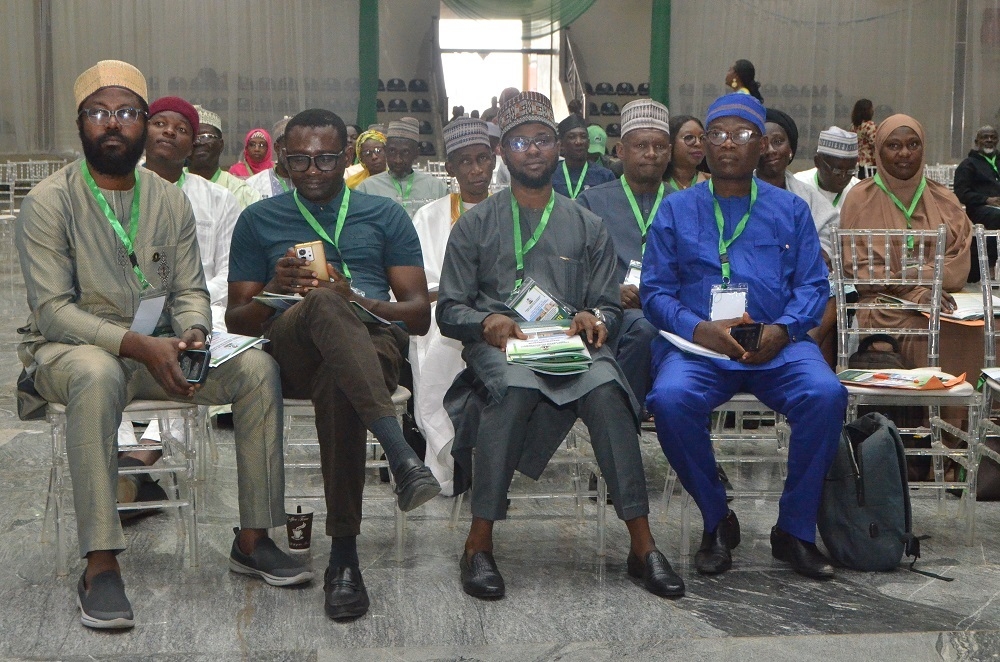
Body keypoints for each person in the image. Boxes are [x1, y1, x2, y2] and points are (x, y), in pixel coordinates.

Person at [15, 60, 310, 630]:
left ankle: (253, 536)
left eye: (126, 112)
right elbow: (52, 311)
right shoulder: (51, 200)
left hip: (156, 348)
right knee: (97, 375)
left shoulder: (169, 199)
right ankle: (100, 563)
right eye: (99, 112)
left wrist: (195, 333)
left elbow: (190, 290)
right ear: (80, 124)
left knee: (255, 370)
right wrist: (138, 345)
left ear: (144, 124)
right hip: (69, 350)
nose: (113, 124)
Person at [437, 91, 685, 601]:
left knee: (610, 395)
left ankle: (642, 545)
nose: (533, 150)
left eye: (543, 140)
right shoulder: (475, 224)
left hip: (570, 345)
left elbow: (608, 306)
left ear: (558, 150)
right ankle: (478, 543)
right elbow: (449, 310)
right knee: (513, 392)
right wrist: (487, 322)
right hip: (505, 348)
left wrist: (597, 317)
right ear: (504, 152)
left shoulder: (586, 224)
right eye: (520, 141)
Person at [226, 108, 440, 621]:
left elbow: (418, 316)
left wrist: (357, 301)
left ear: (347, 158)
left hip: (373, 344)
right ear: (283, 162)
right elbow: (237, 321)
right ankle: (398, 450)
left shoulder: (385, 216)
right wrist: (278, 290)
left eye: (325, 158)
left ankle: (344, 559)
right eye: (299, 160)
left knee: (340, 376)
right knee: (320, 304)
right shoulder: (259, 219)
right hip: (293, 343)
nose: (314, 170)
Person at [643, 93, 846, 581]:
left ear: (764, 148)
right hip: (700, 348)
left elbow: (814, 286)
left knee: (826, 394)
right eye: (717, 135)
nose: (728, 145)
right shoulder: (675, 210)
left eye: (742, 135)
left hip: (780, 346)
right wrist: (699, 330)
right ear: (701, 147)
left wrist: (783, 329)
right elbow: (654, 292)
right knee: (669, 401)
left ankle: (794, 531)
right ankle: (717, 519)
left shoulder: (790, 211)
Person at [840, 114, 977, 383]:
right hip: (883, 307)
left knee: (985, 328)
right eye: (894, 146)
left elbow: (959, 267)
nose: (905, 153)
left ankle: (967, 420)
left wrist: (914, 281)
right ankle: (928, 417)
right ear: (879, 150)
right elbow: (863, 273)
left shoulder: (944, 198)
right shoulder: (860, 198)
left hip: (941, 302)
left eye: (913, 145)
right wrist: (915, 291)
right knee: (924, 329)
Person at [410, 117, 496, 495]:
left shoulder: (511, 210)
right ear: (450, 169)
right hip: (445, 311)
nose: (476, 170)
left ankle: (493, 457)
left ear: (494, 160)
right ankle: (448, 459)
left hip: (501, 316)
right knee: (437, 338)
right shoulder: (429, 216)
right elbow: (426, 282)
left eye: (483, 159)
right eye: (466, 161)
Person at [577, 99, 672, 409]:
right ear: (620, 151)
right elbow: (573, 265)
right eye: (641, 145)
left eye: (660, 146)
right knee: (644, 329)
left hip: (673, 310)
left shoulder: (686, 203)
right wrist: (609, 291)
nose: (651, 154)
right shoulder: (591, 203)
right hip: (615, 312)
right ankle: (623, 413)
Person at [756, 108, 838, 260]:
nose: (771, 150)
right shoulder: (739, 190)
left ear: (791, 149)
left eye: (778, 141)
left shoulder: (807, 195)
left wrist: (818, 254)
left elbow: (830, 232)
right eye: (763, 143)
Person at [356, 117, 448, 217]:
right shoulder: (366, 188)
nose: (397, 160)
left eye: (405, 152)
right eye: (392, 151)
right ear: (385, 150)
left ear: (416, 153)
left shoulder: (437, 188)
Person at [187, 105, 262, 209]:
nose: (198, 142)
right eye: (192, 137)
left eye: (206, 136)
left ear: (221, 145)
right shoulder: (171, 185)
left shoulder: (243, 193)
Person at [955, 125, 1000, 282]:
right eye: (985, 137)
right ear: (977, 141)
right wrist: (986, 199)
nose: (989, 140)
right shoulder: (968, 164)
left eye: (993, 137)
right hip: (980, 209)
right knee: (997, 216)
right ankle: (990, 266)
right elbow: (961, 193)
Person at [793, 126, 861, 211]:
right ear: (818, 162)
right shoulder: (798, 186)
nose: (844, 177)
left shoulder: (859, 192)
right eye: (837, 171)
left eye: (850, 171)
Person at [551, 113, 616, 199]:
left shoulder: (604, 176)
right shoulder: (551, 174)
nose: (579, 142)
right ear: (561, 144)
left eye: (583, 136)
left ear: (588, 143)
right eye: (572, 137)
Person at [246, 117, 295, 199]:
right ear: (277, 148)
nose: (296, 152)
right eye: (289, 146)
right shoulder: (254, 184)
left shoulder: (313, 182)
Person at [663, 114, 710, 191]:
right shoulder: (656, 184)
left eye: (702, 138)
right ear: (670, 142)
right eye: (689, 137)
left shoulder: (712, 183)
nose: (698, 143)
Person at [851, 99, 877, 176]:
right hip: (869, 165)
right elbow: (877, 143)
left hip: (857, 164)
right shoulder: (869, 126)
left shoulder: (853, 126)